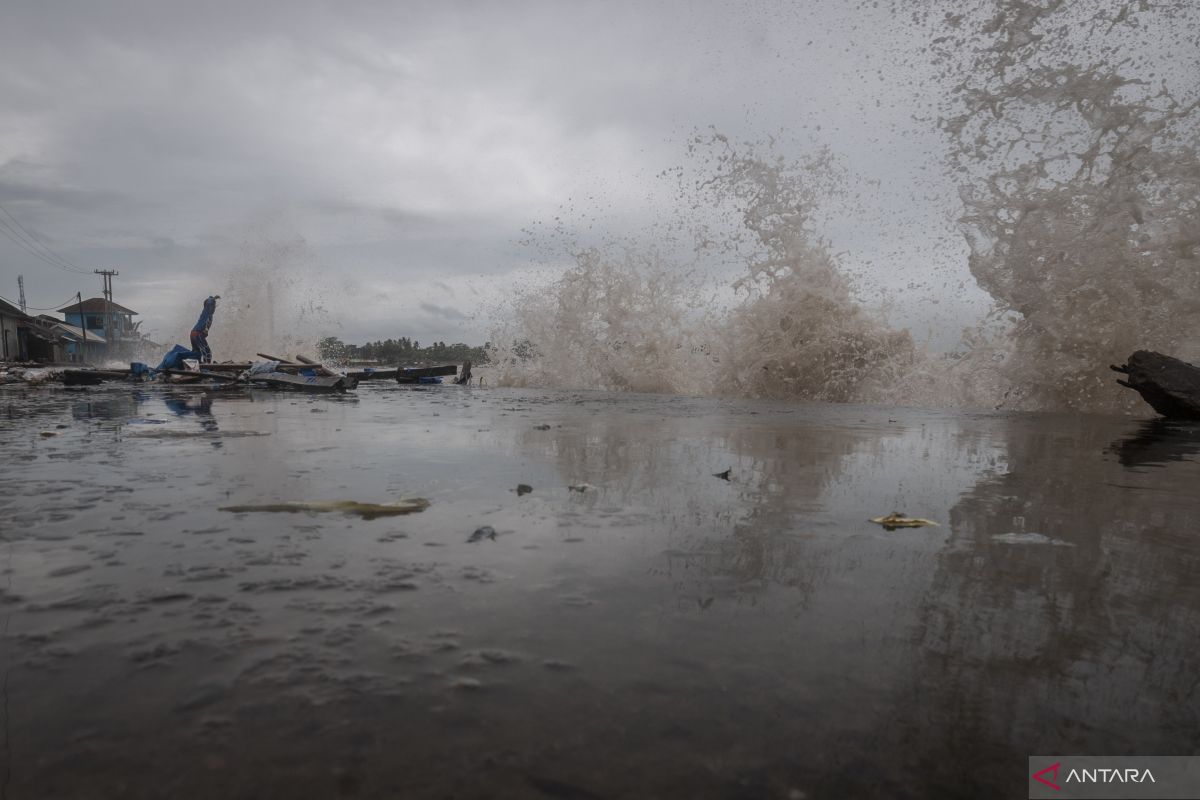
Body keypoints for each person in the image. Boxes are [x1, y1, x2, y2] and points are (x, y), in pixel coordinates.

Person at [190, 295, 218, 363]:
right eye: (213, 306)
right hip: (197, 334)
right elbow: (208, 301)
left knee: (196, 354)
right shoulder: (206, 311)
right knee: (207, 353)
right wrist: (213, 298)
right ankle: (206, 368)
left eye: (214, 306)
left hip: (194, 334)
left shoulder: (210, 316)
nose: (214, 308)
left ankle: (193, 366)